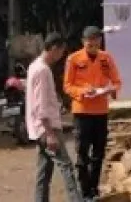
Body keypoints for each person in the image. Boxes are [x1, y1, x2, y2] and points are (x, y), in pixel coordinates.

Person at [64, 26, 122, 200]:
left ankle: (94, 189)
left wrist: (111, 90)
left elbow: (117, 82)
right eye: (90, 40)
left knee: (98, 153)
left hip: (100, 111)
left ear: (100, 41)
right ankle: (84, 189)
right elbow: (67, 86)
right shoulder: (73, 59)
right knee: (82, 153)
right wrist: (82, 91)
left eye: (96, 40)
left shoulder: (107, 58)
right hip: (82, 111)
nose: (93, 43)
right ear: (83, 41)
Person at [26, 32, 83, 202]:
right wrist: (50, 133)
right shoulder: (43, 70)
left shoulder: (35, 66)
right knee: (66, 167)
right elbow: (41, 104)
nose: (60, 56)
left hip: (39, 127)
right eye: (60, 52)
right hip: (47, 129)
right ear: (53, 49)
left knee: (44, 172)